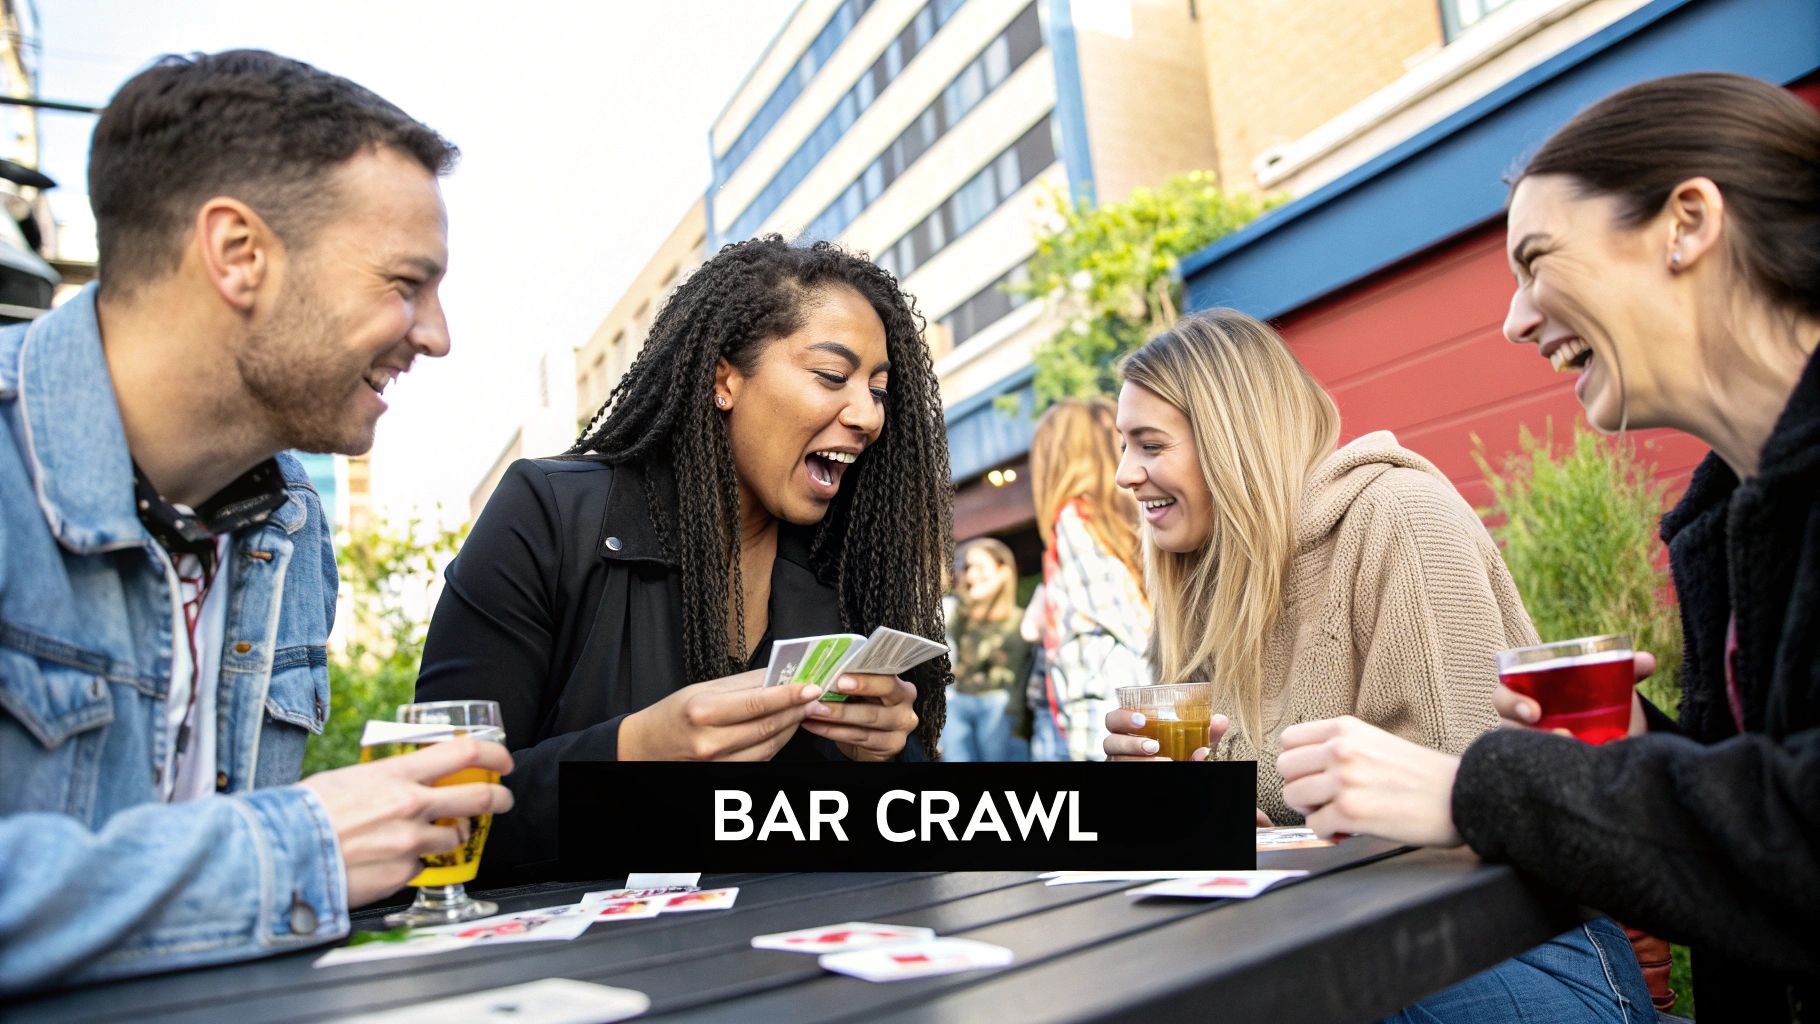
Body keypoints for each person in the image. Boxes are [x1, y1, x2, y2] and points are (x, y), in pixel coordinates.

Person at [1277, 72, 1820, 1021]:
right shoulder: (1737, 516)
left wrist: (1476, 786)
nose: (1515, 318)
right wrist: (1654, 746)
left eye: (1537, 261)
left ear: (1688, 222)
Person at [0, 51, 514, 995]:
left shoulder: (289, 521)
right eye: (407, 282)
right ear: (238, 254)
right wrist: (299, 845)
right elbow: (277, 858)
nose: (438, 334)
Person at [1103, 309, 1653, 1021]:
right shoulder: (1206, 587)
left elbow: (1476, 808)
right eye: (1123, 445)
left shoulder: (1398, 516)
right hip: (1319, 936)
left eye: (1149, 444)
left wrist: (1285, 846)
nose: (1123, 473)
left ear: (1232, 438)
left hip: (1513, 946)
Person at [416, 236, 954, 883]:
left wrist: (890, 758)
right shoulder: (549, 514)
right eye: (832, 377)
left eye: (879, 389)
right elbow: (434, 816)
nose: (868, 415)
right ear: (725, 378)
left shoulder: (844, 565)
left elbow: (918, 839)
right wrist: (635, 752)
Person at [1027, 398, 1152, 761]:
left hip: (1099, 723)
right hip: (1125, 717)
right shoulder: (1122, 520)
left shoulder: (1075, 520)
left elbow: (1127, 629)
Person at [942, 537, 1032, 761]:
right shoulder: (956, 616)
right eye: (967, 567)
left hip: (1000, 706)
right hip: (960, 702)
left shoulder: (1021, 622)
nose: (971, 575)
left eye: (980, 567)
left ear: (1003, 571)